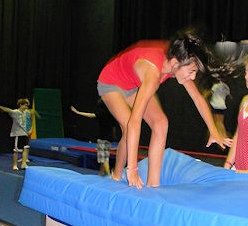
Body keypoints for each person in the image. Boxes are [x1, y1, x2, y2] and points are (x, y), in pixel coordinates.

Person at [97, 30, 235, 189]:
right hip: (111, 81)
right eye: (191, 72)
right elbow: (135, 121)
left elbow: (198, 98)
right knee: (128, 126)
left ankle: (153, 185)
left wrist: (213, 130)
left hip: (132, 83)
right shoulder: (154, 74)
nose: (192, 77)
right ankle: (116, 176)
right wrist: (133, 168)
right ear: (175, 63)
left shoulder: (177, 63)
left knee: (161, 123)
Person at [71, 100, 118, 176]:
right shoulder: (111, 114)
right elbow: (113, 127)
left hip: (103, 138)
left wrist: (77, 112)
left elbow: (90, 115)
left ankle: (109, 175)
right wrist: (114, 136)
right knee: (103, 158)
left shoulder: (102, 114)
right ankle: (101, 174)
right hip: (109, 138)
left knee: (104, 159)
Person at [0, 99, 34, 171]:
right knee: (16, 150)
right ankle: (15, 165)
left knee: (26, 148)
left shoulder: (25, 112)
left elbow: (31, 112)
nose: (26, 107)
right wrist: (0, 107)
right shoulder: (15, 112)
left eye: (27, 106)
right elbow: (7, 110)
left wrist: (30, 129)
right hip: (17, 134)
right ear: (20, 105)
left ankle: (23, 164)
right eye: (25, 105)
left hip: (24, 133)